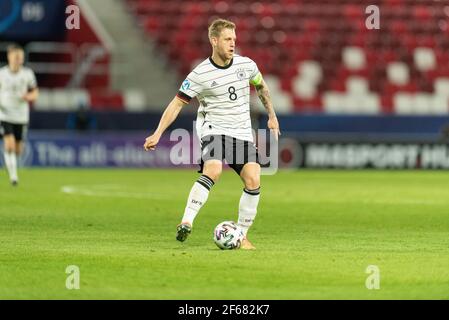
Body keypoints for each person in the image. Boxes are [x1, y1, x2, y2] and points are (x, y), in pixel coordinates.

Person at [144, 19, 280, 249]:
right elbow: (177, 104)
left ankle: (242, 235)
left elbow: (262, 87)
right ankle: (187, 220)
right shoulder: (200, 74)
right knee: (214, 170)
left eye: (234, 40)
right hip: (213, 129)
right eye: (227, 39)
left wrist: (272, 116)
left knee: (253, 179)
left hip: (241, 132)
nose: (232, 44)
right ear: (214, 40)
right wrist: (158, 133)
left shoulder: (246, 65)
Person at [0, 44, 39, 186]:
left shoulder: (27, 74)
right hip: (4, 113)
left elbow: (35, 92)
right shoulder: (2, 74)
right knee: (8, 145)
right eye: (16, 57)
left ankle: (10, 164)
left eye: (21, 57)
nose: (19, 60)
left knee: (18, 149)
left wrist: (29, 97)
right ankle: (13, 176)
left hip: (21, 116)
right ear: (9, 57)